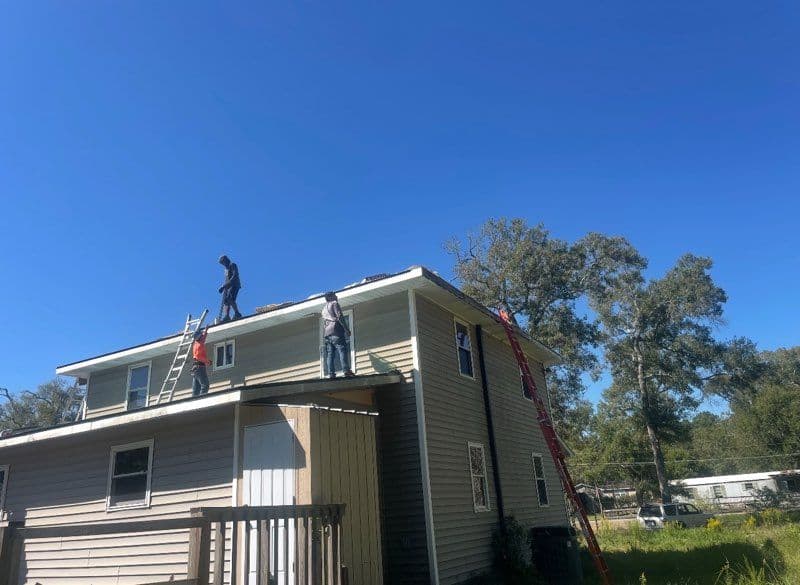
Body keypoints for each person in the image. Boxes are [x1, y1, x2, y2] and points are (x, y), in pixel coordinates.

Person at [321, 291, 354, 378]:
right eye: (335, 295)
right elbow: (339, 316)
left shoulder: (324, 309)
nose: (336, 296)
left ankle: (331, 373)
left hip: (327, 333)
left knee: (330, 354)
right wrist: (346, 329)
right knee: (342, 349)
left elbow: (325, 322)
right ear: (331, 297)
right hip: (336, 330)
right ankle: (346, 370)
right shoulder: (334, 303)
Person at [218, 255, 243, 322]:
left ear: (226, 260)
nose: (223, 264)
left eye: (223, 262)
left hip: (235, 284)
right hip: (228, 286)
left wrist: (224, 286)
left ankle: (237, 313)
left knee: (230, 298)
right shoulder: (226, 270)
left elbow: (235, 276)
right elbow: (226, 279)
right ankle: (227, 316)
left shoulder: (232, 265)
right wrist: (224, 288)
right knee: (226, 301)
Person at [191, 325, 211, 396]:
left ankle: (193, 401)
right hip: (200, 367)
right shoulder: (199, 345)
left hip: (195, 368)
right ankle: (201, 400)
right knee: (205, 386)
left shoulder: (196, 342)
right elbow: (198, 357)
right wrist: (208, 361)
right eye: (201, 335)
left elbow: (203, 338)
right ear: (199, 336)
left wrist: (206, 330)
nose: (202, 336)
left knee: (196, 389)